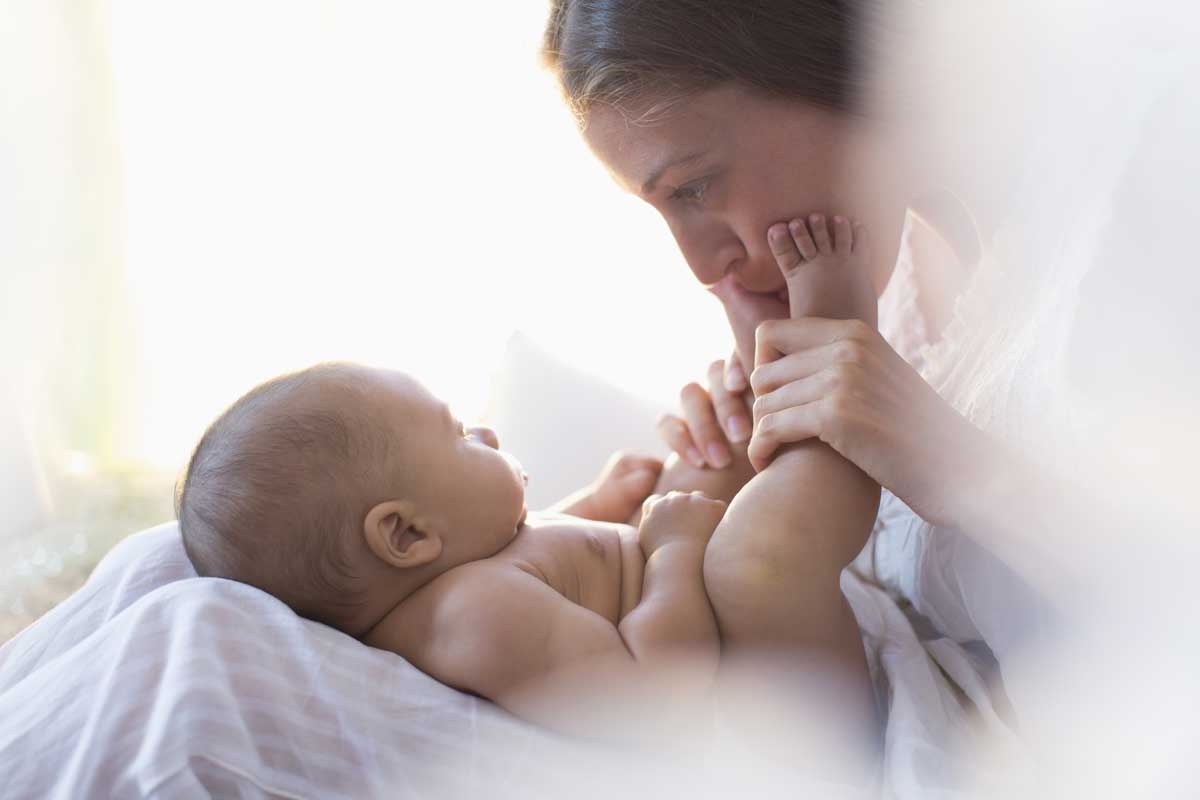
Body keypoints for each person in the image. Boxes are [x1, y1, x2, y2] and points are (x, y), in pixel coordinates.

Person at [540, 0, 1110, 773]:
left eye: (695, 188)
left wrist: (961, 467)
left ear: (827, 63)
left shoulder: (1116, 249)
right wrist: (767, 448)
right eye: (665, 210)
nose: (703, 268)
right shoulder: (888, 283)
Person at [175, 333, 880, 754]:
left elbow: (531, 554)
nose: (485, 434)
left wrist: (599, 506)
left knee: (710, 450)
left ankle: (801, 364)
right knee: (758, 542)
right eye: (458, 435)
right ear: (407, 534)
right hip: (765, 695)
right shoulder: (470, 619)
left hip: (693, 603)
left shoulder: (460, 574)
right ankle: (843, 377)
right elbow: (651, 690)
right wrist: (674, 550)